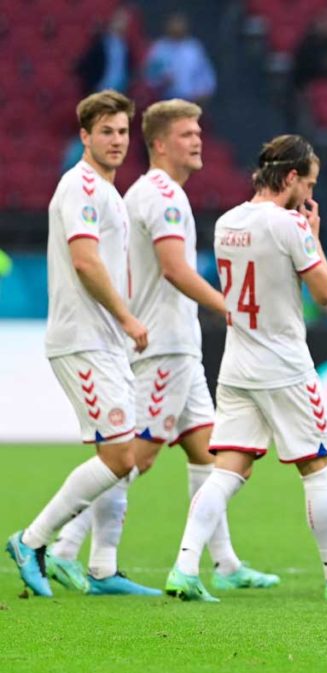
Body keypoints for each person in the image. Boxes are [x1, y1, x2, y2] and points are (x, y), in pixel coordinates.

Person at [45, 100, 279, 594]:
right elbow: (174, 268)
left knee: (208, 452)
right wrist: (228, 307)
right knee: (132, 456)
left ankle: (227, 563)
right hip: (161, 347)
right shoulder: (163, 196)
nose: (197, 140)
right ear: (159, 143)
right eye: (186, 133)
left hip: (178, 346)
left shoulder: (146, 192)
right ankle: (68, 549)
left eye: (198, 132)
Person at [164, 135, 327, 602]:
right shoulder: (289, 225)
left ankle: (184, 568)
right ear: (289, 177)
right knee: (319, 468)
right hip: (284, 364)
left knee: (227, 468)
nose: (309, 195)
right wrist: (314, 235)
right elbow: (326, 293)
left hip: (237, 363)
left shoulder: (227, 222)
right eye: (307, 184)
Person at [6, 90, 157, 597]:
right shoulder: (80, 188)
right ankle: (32, 541)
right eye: (106, 132)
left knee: (122, 457)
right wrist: (127, 316)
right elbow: (85, 261)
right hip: (83, 337)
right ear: (84, 136)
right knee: (119, 457)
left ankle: (100, 568)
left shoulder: (109, 192)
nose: (116, 140)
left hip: (105, 340)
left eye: (121, 132)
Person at [144, 13, 217, 104]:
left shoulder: (193, 48)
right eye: (174, 22)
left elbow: (206, 76)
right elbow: (149, 76)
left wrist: (204, 92)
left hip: (191, 101)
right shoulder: (159, 48)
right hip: (165, 101)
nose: (177, 26)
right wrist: (162, 80)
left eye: (180, 22)